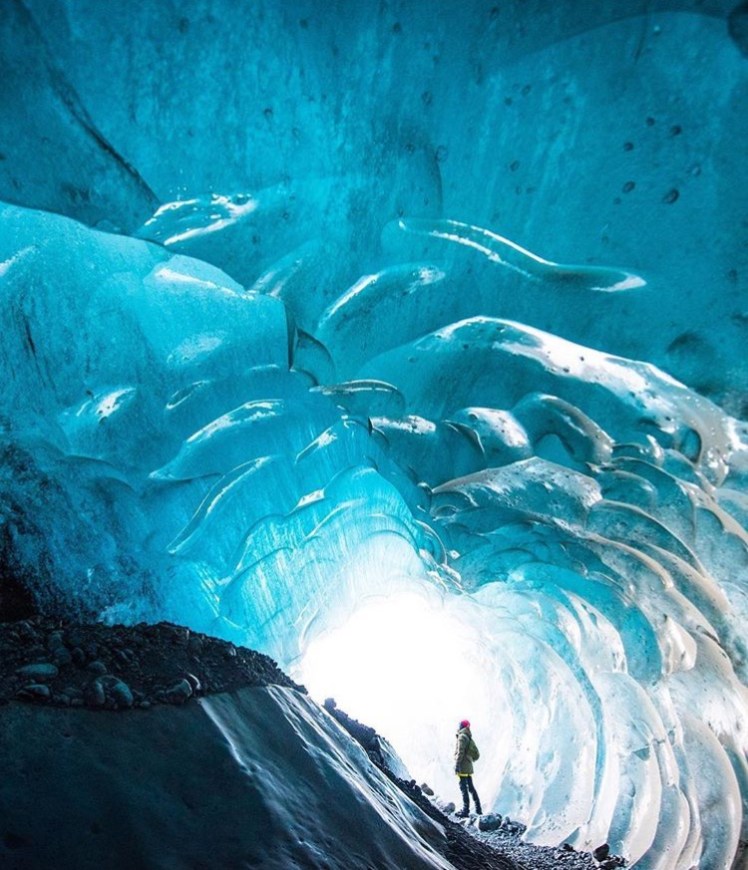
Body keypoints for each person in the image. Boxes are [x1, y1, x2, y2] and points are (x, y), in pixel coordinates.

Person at [454, 719, 482, 817]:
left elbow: (460, 752)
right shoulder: (468, 737)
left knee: (463, 788)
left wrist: (457, 765)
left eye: (460, 725)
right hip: (469, 766)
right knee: (471, 787)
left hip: (463, 766)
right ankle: (478, 809)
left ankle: (465, 811)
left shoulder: (462, 737)